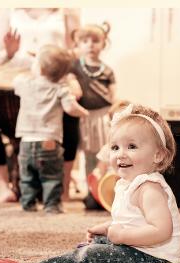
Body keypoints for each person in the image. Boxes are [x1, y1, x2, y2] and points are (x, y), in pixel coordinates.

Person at [0, 103, 180, 263]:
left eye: (132, 146)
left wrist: (122, 236)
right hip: (140, 253)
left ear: (158, 155)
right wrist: (108, 227)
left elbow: (161, 231)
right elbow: (134, 220)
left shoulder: (150, 188)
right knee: (98, 242)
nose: (121, 154)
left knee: (93, 255)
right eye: (115, 147)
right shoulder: (128, 184)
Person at [0, 8, 80, 203]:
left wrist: (55, 57)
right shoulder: (9, 10)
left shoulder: (67, 11)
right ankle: (3, 186)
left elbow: (77, 52)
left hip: (54, 77)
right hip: (19, 78)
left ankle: (63, 186)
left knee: (71, 113)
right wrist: (9, 53)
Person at [13, 45, 89, 214]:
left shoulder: (24, 83)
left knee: (27, 177)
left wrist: (35, 66)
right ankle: (52, 206)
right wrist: (83, 112)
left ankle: (28, 203)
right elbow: (71, 108)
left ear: (38, 67)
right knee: (52, 177)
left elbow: (16, 79)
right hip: (49, 141)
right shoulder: (61, 88)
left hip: (26, 141)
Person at [62, 22, 117, 202]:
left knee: (101, 152)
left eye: (95, 41)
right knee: (85, 152)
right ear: (78, 44)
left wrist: (114, 111)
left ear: (104, 44)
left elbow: (113, 95)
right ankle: (88, 187)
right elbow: (69, 78)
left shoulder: (107, 71)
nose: (90, 45)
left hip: (102, 115)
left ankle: (100, 188)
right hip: (82, 115)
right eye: (84, 41)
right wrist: (72, 82)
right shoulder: (75, 67)